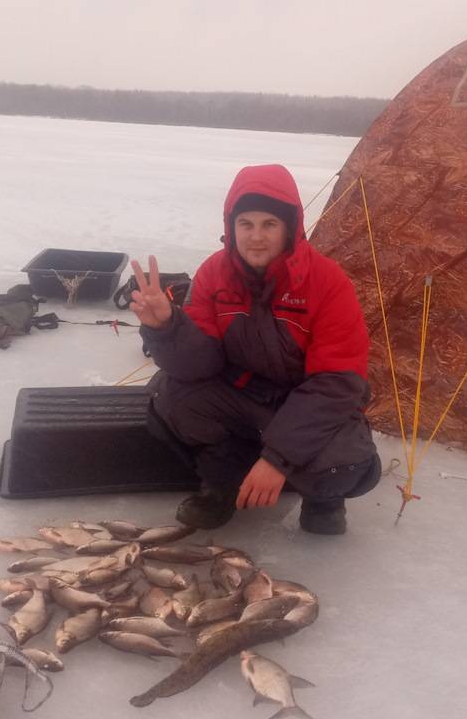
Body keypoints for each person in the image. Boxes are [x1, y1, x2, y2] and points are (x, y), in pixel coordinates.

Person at [130, 163, 381, 535]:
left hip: (306, 401)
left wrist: (277, 460)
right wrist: (167, 329)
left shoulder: (327, 282)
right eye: (245, 224)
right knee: (172, 399)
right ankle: (222, 484)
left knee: (346, 464)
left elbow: (336, 383)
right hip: (243, 395)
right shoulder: (215, 272)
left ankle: (324, 500)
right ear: (231, 227)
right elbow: (198, 365)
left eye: (269, 224)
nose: (256, 237)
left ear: (290, 229)